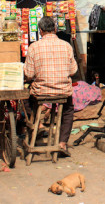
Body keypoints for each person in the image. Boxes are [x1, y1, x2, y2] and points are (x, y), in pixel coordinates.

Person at [24, 16, 77, 156]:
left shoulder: (34, 47)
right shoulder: (66, 46)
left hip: (42, 91)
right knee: (68, 110)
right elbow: (73, 71)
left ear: (40, 31)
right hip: (63, 91)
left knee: (25, 99)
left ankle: (38, 124)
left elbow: (29, 74)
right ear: (55, 29)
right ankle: (62, 143)